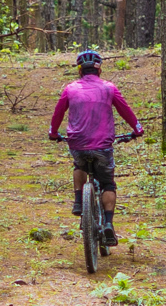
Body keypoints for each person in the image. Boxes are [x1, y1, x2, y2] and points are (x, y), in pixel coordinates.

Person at [49, 49, 142, 246]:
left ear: (80, 70)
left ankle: (78, 200)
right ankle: (108, 223)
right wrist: (137, 129)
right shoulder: (109, 88)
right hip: (103, 146)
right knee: (107, 183)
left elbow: (58, 113)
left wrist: (54, 133)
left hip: (77, 143)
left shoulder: (70, 89)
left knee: (79, 164)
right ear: (99, 70)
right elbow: (126, 111)